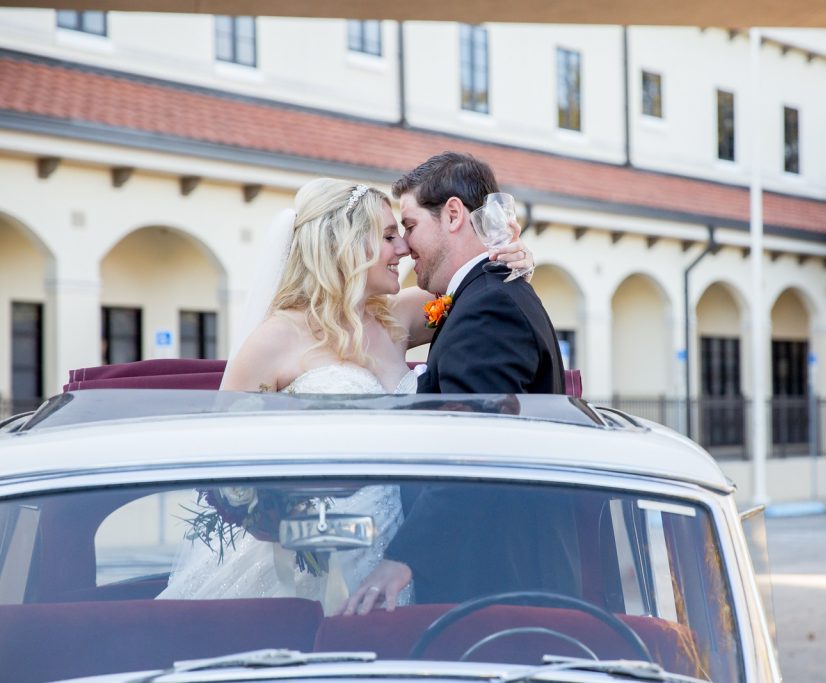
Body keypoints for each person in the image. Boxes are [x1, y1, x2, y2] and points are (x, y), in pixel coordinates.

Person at [158, 177, 534, 613]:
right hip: (313, 554)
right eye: (389, 236)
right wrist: (288, 525)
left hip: (397, 542)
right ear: (344, 244)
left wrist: (512, 261)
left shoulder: (401, 316)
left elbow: (480, 296)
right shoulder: (275, 339)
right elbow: (221, 462)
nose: (404, 250)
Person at [342, 152, 581, 616]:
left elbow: (475, 447)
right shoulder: (480, 297)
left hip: (492, 587)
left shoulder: (489, 307)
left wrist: (402, 560)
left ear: (452, 215)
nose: (405, 247)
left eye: (408, 227)